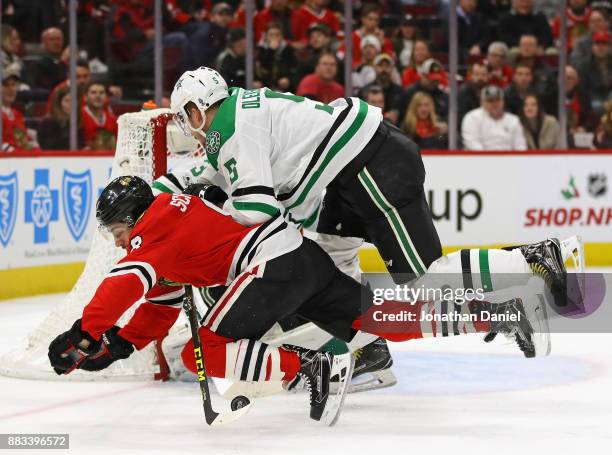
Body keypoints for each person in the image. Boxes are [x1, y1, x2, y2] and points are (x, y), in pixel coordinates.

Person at [47, 175, 564, 423]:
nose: (117, 239)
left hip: (267, 266)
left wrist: (83, 331)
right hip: (302, 258)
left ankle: (307, 368)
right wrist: (114, 345)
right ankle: (496, 312)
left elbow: (125, 282)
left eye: (117, 228)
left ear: (135, 215)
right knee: (387, 321)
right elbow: (157, 303)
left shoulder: (154, 225)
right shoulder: (171, 228)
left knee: (199, 349)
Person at [461, 85, 527, 150]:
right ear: (482, 102)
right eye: (490, 100)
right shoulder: (472, 118)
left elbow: (520, 146)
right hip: (480, 159)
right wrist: (491, 159)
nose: (494, 103)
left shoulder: (514, 120)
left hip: (508, 159)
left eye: (497, 100)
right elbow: (473, 144)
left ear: (503, 101)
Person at [576, 30, 612, 115]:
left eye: (604, 44)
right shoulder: (584, 65)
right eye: (597, 44)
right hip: (594, 98)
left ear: (609, 47)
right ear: (592, 47)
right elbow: (583, 90)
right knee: (597, 106)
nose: (600, 47)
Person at [361, 53, 404, 125]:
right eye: (380, 66)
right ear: (374, 68)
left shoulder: (400, 92)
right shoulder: (365, 91)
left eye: (387, 66)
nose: (384, 69)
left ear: (392, 68)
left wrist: (397, 115)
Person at [1, 70, 38, 152]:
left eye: (13, 85)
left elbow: (23, 142)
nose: (11, 89)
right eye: (6, 85)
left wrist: (34, 148)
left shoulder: (17, 114)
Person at [256, 22, 298, 92]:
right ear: (266, 36)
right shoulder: (260, 50)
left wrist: (288, 79)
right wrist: (271, 50)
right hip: (264, 86)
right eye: (271, 35)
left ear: (282, 37)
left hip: (284, 87)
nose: (274, 38)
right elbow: (263, 67)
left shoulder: (288, 50)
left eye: (277, 35)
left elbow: (294, 68)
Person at [80, 82, 118, 151]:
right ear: (85, 97)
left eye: (101, 93)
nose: (98, 96)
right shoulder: (78, 119)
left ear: (106, 97)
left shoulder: (114, 120)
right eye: (93, 92)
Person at [28, 27, 66, 91]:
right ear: (43, 43)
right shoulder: (36, 65)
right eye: (52, 39)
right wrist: (60, 64)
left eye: (59, 39)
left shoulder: (68, 63)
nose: (56, 43)